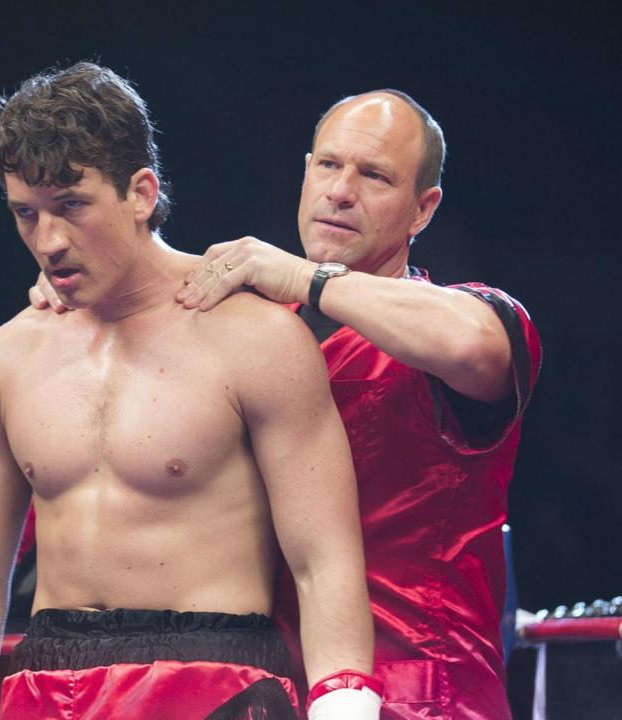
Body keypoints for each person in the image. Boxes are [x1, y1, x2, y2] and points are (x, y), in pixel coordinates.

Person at [0, 63, 383, 720]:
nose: (49, 241)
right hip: (44, 685)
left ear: (141, 192)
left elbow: (322, 559)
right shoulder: (3, 360)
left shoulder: (255, 338)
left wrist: (343, 701)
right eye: (26, 213)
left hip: (215, 683)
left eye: (71, 205)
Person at [170, 92, 542, 719]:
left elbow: (476, 346)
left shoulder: (461, 319)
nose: (341, 192)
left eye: (374, 176)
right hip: (261, 692)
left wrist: (308, 278)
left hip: (422, 698)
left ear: (424, 209)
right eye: (329, 167)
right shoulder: (248, 330)